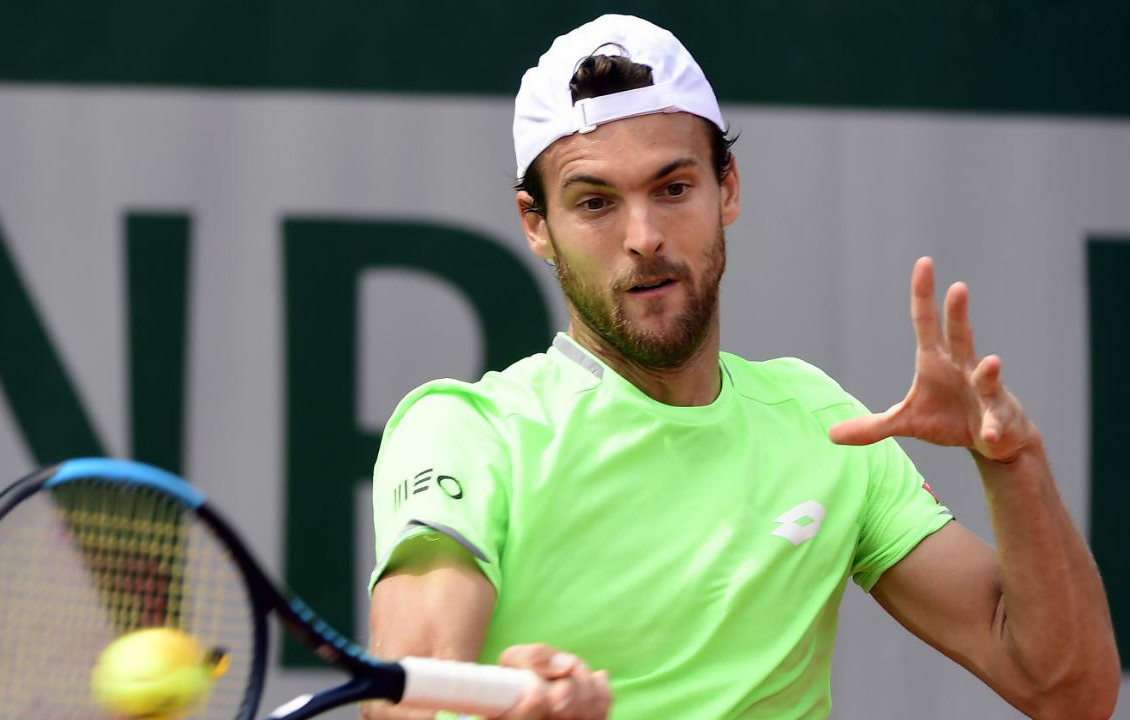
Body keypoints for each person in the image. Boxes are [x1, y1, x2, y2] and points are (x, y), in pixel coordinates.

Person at [364, 14, 1119, 720]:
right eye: (595, 203)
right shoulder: (464, 433)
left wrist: (1012, 462)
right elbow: (405, 697)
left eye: (673, 188)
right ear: (536, 225)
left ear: (727, 187)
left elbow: (1069, 690)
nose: (644, 236)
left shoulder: (824, 424)